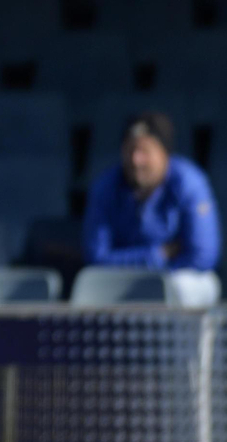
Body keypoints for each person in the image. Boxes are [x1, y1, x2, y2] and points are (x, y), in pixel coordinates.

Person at [83, 113, 221, 307]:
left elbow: (202, 257)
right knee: (91, 284)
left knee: (184, 286)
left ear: (164, 153)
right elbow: (96, 258)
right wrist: (157, 255)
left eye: (145, 151)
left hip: (175, 277)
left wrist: (156, 278)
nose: (136, 160)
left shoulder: (189, 182)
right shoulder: (106, 186)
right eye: (130, 150)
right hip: (122, 281)